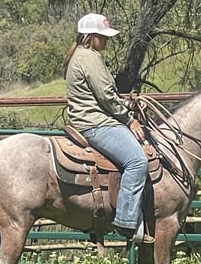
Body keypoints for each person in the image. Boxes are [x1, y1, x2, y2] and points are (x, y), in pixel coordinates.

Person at [62, 12, 149, 242]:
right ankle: (127, 221)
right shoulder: (90, 58)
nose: (107, 40)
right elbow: (107, 96)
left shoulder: (79, 56)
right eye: (103, 36)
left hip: (84, 119)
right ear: (91, 36)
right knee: (137, 161)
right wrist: (129, 119)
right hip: (95, 122)